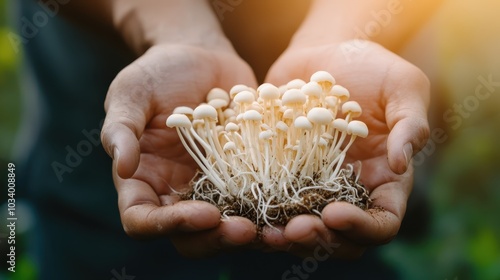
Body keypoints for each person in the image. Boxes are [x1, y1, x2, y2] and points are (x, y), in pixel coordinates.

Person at [14, 0, 441, 278]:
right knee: (108, 224)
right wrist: (177, 30)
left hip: (354, 38)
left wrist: (346, 31)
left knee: (338, 244)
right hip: (107, 47)